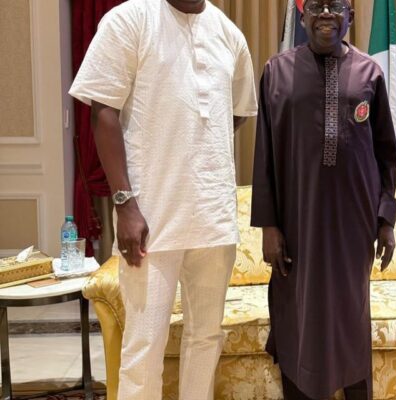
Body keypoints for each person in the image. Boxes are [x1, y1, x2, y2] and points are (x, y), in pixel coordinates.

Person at [69, 0, 257, 399]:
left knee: (206, 336)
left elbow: (237, 110)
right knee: (144, 343)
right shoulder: (130, 20)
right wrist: (125, 204)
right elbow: (102, 112)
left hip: (214, 215)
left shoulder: (229, 34)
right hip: (150, 216)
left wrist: (197, 142)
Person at [250, 0, 396, 399]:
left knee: (351, 317)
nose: (326, 14)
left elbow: (387, 154)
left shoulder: (370, 73)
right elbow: (264, 154)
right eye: (317, 5)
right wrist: (269, 226)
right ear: (303, 16)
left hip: (354, 229)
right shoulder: (276, 72)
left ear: (350, 15)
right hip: (297, 225)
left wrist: (386, 220)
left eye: (336, 5)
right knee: (300, 317)